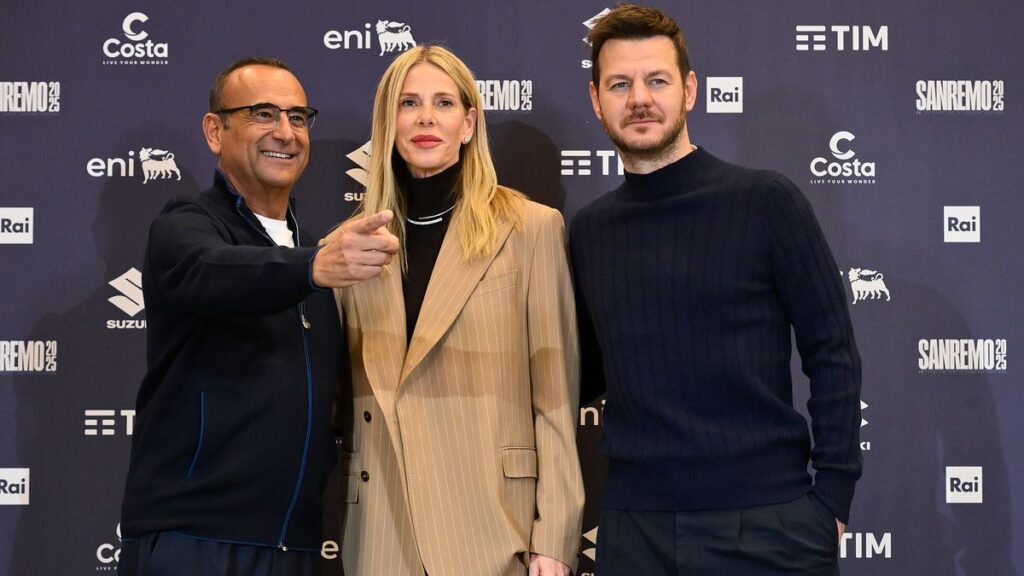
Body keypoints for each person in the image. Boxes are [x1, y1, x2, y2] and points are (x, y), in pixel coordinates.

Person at [570, 5, 863, 575]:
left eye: (657, 81)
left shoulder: (767, 202)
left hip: (769, 523)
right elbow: (581, 375)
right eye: (620, 84)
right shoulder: (588, 230)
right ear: (596, 100)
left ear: (689, 90)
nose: (639, 99)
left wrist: (832, 499)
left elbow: (833, 352)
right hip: (636, 529)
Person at [118, 57, 399, 576]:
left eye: (298, 117)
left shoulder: (313, 252)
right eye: (263, 114)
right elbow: (216, 272)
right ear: (215, 130)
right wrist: (313, 267)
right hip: (195, 538)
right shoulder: (185, 228)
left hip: (296, 544)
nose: (285, 133)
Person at [329, 45, 584, 576]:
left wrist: (555, 537)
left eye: (443, 103)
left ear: (468, 124)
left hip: (495, 526)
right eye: (409, 103)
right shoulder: (350, 247)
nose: (426, 117)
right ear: (388, 123)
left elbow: (555, 396)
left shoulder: (530, 229)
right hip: (380, 529)